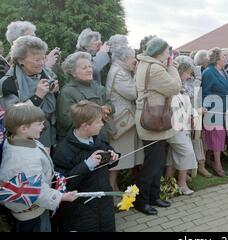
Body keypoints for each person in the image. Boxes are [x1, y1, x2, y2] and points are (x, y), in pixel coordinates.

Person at [0, 104, 77, 232]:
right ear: (24, 128)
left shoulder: (20, 139)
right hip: (32, 214)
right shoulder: (23, 159)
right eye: (39, 124)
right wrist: (60, 197)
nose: (43, 127)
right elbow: (34, 190)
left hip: (36, 208)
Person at [52, 101, 119, 232]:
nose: (102, 124)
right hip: (80, 212)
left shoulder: (99, 137)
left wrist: (113, 158)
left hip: (104, 206)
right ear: (85, 126)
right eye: (99, 121)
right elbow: (62, 184)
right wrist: (87, 165)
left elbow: (110, 158)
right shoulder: (63, 150)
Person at [134, 37, 181, 215]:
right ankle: (142, 201)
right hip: (152, 119)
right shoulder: (154, 67)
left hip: (155, 117)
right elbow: (175, 87)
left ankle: (153, 197)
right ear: (160, 52)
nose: (169, 54)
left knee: (157, 162)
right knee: (152, 165)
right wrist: (173, 67)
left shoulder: (148, 64)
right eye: (167, 50)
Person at [0, 36, 59, 150]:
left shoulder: (48, 74)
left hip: (47, 135)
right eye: (37, 60)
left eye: (43, 58)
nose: (42, 63)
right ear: (20, 59)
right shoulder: (8, 82)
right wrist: (37, 96)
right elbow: (13, 117)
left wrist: (55, 91)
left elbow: (55, 107)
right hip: (22, 142)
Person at [106, 46, 142, 192]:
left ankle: (114, 186)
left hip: (125, 118)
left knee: (120, 157)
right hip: (122, 120)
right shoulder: (119, 72)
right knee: (117, 157)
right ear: (124, 58)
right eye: (132, 56)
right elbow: (134, 93)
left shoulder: (120, 70)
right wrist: (136, 73)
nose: (134, 60)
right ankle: (111, 187)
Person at [57, 52, 114, 140]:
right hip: (82, 141)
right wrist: (95, 115)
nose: (89, 70)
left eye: (90, 66)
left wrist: (107, 108)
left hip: (102, 136)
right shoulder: (68, 92)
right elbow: (67, 121)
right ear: (73, 73)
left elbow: (111, 104)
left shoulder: (97, 86)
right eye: (84, 68)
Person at [174, 56, 211, 177]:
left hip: (194, 109)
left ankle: (199, 166)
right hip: (184, 116)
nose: (191, 75)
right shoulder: (178, 83)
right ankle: (184, 173)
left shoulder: (189, 80)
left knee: (197, 139)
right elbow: (189, 94)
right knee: (185, 144)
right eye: (190, 71)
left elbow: (194, 91)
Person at [165, 63, 198, 195]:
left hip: (183, 127)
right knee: (187, 153)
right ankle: (181, 183)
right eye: (188, 73)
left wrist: (194, 114)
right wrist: (190, 115)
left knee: (172, 157)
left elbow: (187, 105)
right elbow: (174, 108)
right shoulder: (173, 87)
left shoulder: (183, 87)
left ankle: (167, 183)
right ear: (181, 71)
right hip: (176, 127)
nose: (189, 76)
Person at [202, 48, 228, 177]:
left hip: (224, 109)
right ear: (216, 58)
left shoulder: (224, 71)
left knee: (216, 137)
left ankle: (209, 160)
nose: (226, 58)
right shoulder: (209, 72)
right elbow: (205, 92)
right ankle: (218, 166)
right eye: (223, 56)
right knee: (217, 137)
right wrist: (207, 108)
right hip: (213, 109)